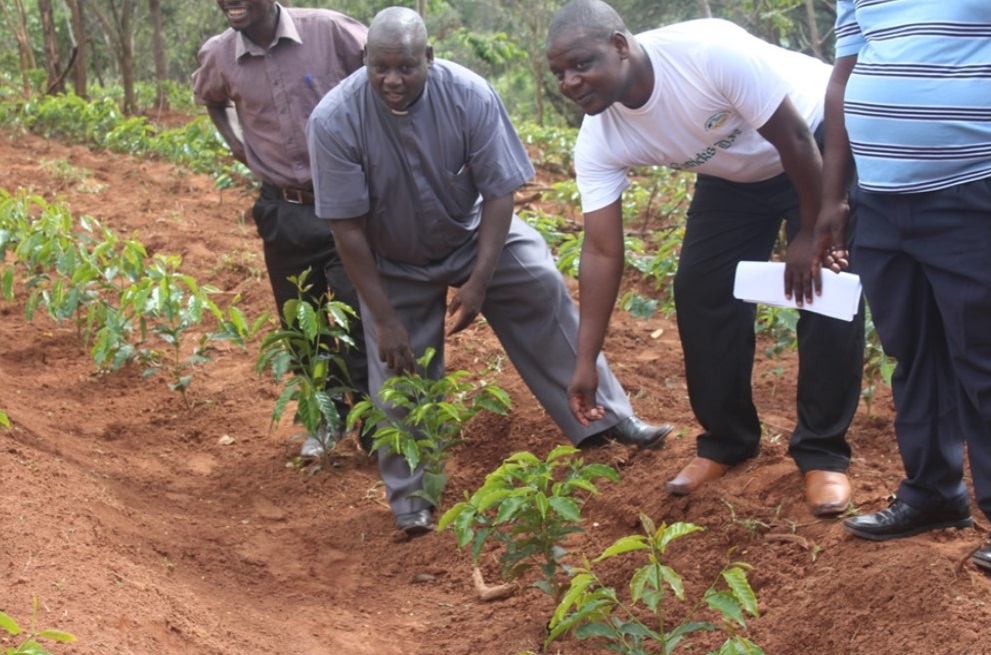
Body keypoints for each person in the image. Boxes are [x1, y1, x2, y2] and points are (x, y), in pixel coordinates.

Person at [307, 6, 672, 536]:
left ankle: (609, 420)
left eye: (406, 67)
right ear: (364, 61)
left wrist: (479, 282)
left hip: (476, 232)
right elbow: (347, 229)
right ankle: (413, 497)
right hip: (392, 257)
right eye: (379, 68)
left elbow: (500, 192)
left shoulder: (470, 94)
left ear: (429, 58)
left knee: (541, 285)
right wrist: (383, 318)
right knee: (399, 369)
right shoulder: (335, 119)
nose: (392, 80)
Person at [545, 0, 866, 516]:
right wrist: (586, 363)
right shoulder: (600, 137)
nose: (570, 82)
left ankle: (823, 453)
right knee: (701, 287)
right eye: (560, 73)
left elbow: (794, 141)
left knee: (826, 287)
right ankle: (727, 440)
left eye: (582, 64)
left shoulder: (708, 52)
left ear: (621, 47)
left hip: (814, 136)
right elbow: (602, 250)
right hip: (733, 176)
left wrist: (809, 231)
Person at [816, 2, 991, 572]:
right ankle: (934, 493)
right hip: (882, 199)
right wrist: (834, 196)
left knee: (983, 357)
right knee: (912, 352)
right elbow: (843, 77)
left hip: (972, 188)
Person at [193, 0, 370, 455]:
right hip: (284, 208)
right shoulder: (219, 53)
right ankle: (325, 422)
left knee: (363, 313)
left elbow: (391, 66)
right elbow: (211, 98)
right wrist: (236, 143)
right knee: (301, 321)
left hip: (348, 206)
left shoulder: (330, 31)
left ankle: (375, 424)